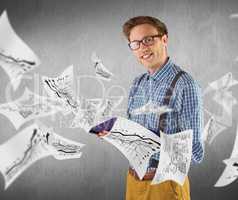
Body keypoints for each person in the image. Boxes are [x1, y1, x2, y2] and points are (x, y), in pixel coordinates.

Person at [99, 16, 204, 200]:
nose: (142, 48)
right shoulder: (137, 83)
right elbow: (131, 135)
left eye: (148, 40)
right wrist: (113, 133)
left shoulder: (184, 84)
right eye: (135, 43)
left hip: (165, 186)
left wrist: (152, 145)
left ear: (164, 39)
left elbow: (195, 152)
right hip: (133, 181)